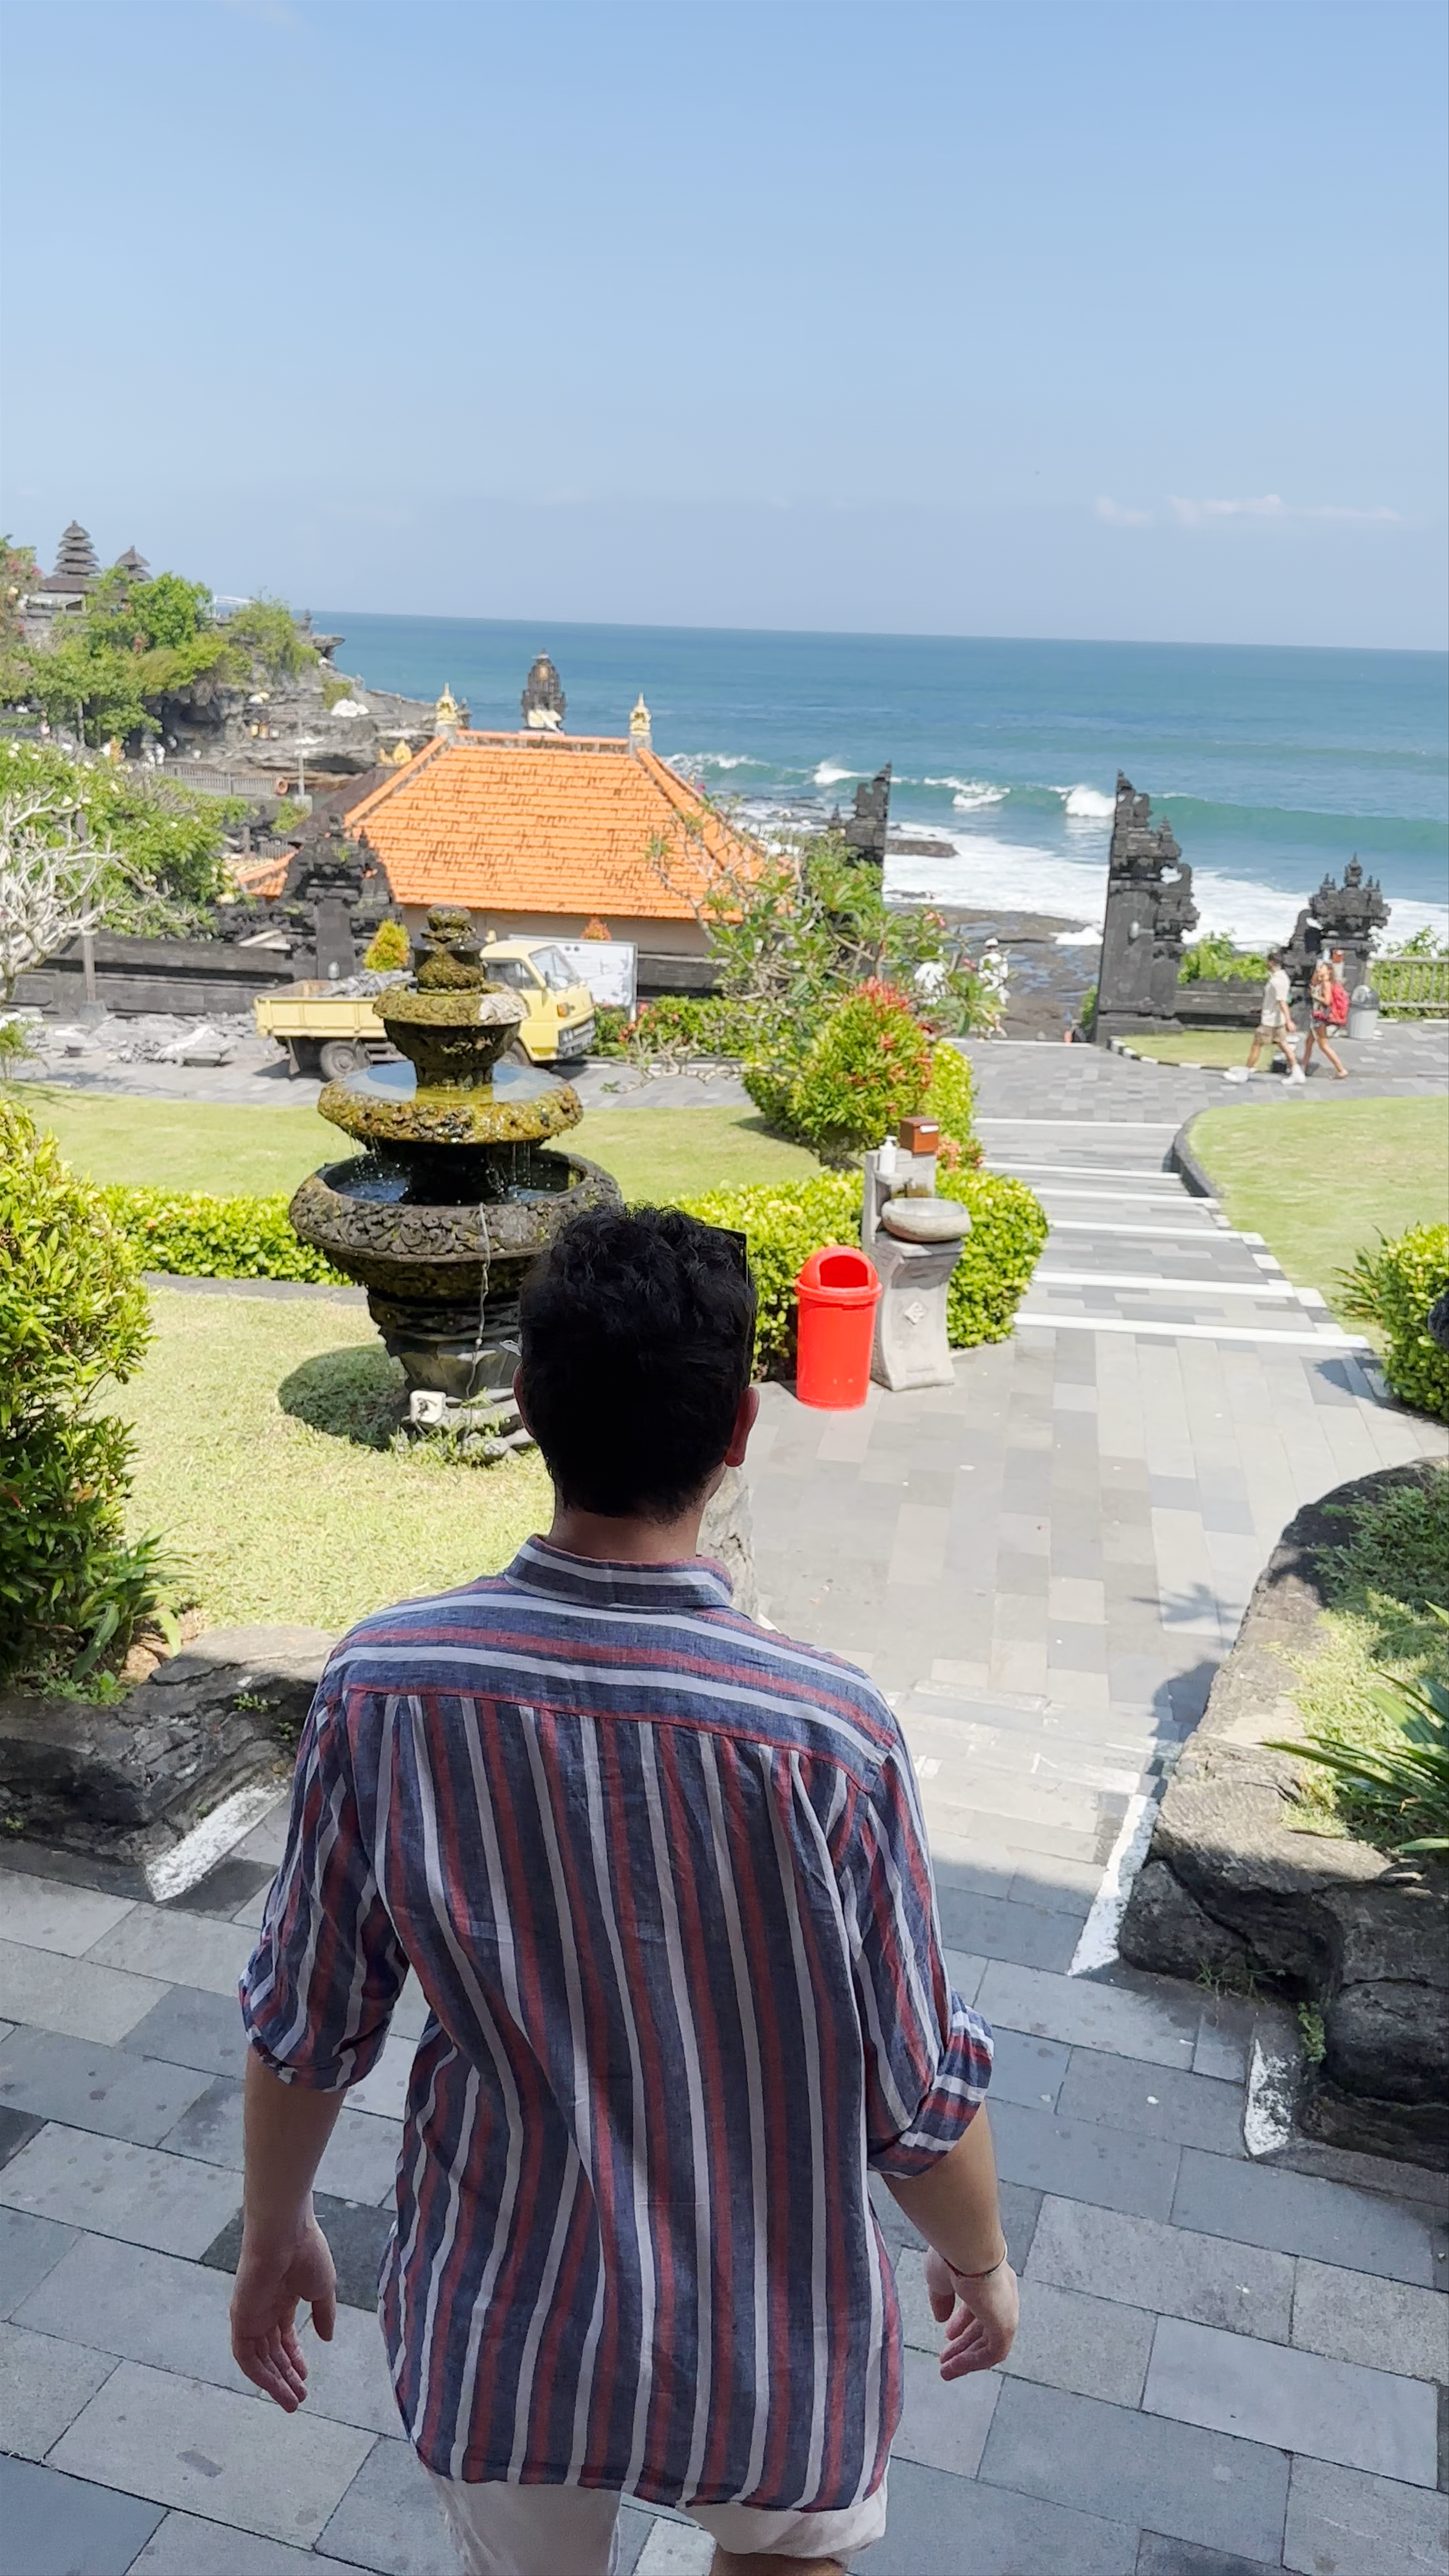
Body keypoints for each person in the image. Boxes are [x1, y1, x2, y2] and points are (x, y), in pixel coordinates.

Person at [232, 1207, 1014, 2576]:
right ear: (740, 1430)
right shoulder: (828, 1731)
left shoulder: (387, 1684)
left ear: (527, 1404)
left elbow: (308, 2017)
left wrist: (277, 2224)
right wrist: (982, 2255)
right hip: (771, 2340)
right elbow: (914, 2085)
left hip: (504, 2322)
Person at [1227, 949, 1304, 1084]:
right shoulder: (1281, 977)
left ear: (1272, 962)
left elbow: (1282, 1002)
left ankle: (1245, 1073)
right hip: (1275, 1018)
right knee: (1284, 1045)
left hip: (1271, 1021)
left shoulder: (1277, 981)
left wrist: (1289, 1021)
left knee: (1257, 1045)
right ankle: (1297, 1072)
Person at [1303, 949, 1349, 1079]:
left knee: (1324, 1046)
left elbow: (1327, 1001)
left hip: (1320, 1018)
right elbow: (1312, 983)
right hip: (1316, 1017)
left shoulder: (1327, 984)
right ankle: (1302, 1067)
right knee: (1309, 1043)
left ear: (1329, 971)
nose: (1319, 969)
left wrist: (1316, 997)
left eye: (1322, 968)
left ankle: (1341, 1069)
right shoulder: (1320, 982)